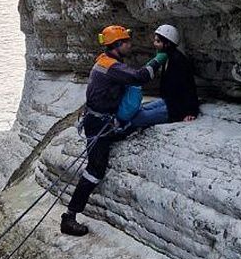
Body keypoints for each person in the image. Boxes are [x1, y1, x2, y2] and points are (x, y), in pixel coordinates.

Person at [61, 25, 168, 236]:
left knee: (141, 115)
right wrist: (159, 59)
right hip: (100, 125)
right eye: (127, 41)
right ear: (118, 45)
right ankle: (69, 217)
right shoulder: (112, 67)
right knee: (94, 171)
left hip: (98, 120)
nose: (130, 44)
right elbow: (139, 77)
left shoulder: (104, 61)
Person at [129, 24, 200, 128]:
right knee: (137, 111)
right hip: (168, 101)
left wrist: (191, 112)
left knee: (137, 119)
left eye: (158, 41)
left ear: (167, 44)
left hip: (176, 109)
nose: (154, 44)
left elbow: (189, 87)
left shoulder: (178, 61)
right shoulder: (167, 57)